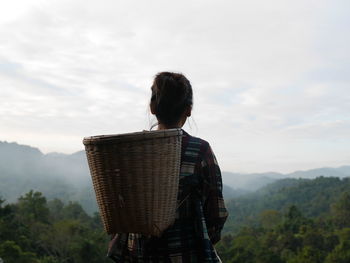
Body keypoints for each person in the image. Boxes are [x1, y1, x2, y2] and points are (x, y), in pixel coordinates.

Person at [107, 72, 229, 262]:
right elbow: (216, 215)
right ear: (188, 110)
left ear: (152, 107)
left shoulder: (132, 152)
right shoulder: (199, 151)